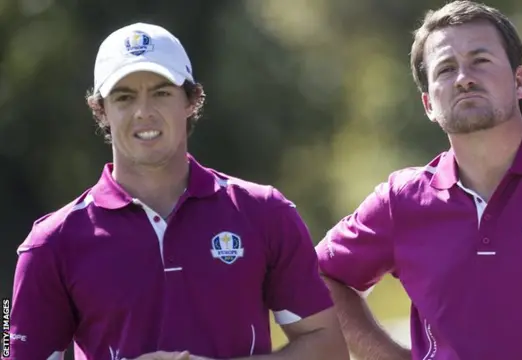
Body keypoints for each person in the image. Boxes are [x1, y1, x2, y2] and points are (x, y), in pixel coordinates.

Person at [315, 1, 522, 359]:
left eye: (480, 61)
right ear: (428, 104)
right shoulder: (402, 200)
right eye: (446, 69)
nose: (464, 78)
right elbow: (317, 278)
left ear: (519, 82)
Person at [9, 22, 348, 360]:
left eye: (161, 93)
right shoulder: (49, 243)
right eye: (124, 97)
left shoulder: (264, 212)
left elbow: (328, 348)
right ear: (101, 110)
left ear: (190, 100)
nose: (144, 112)